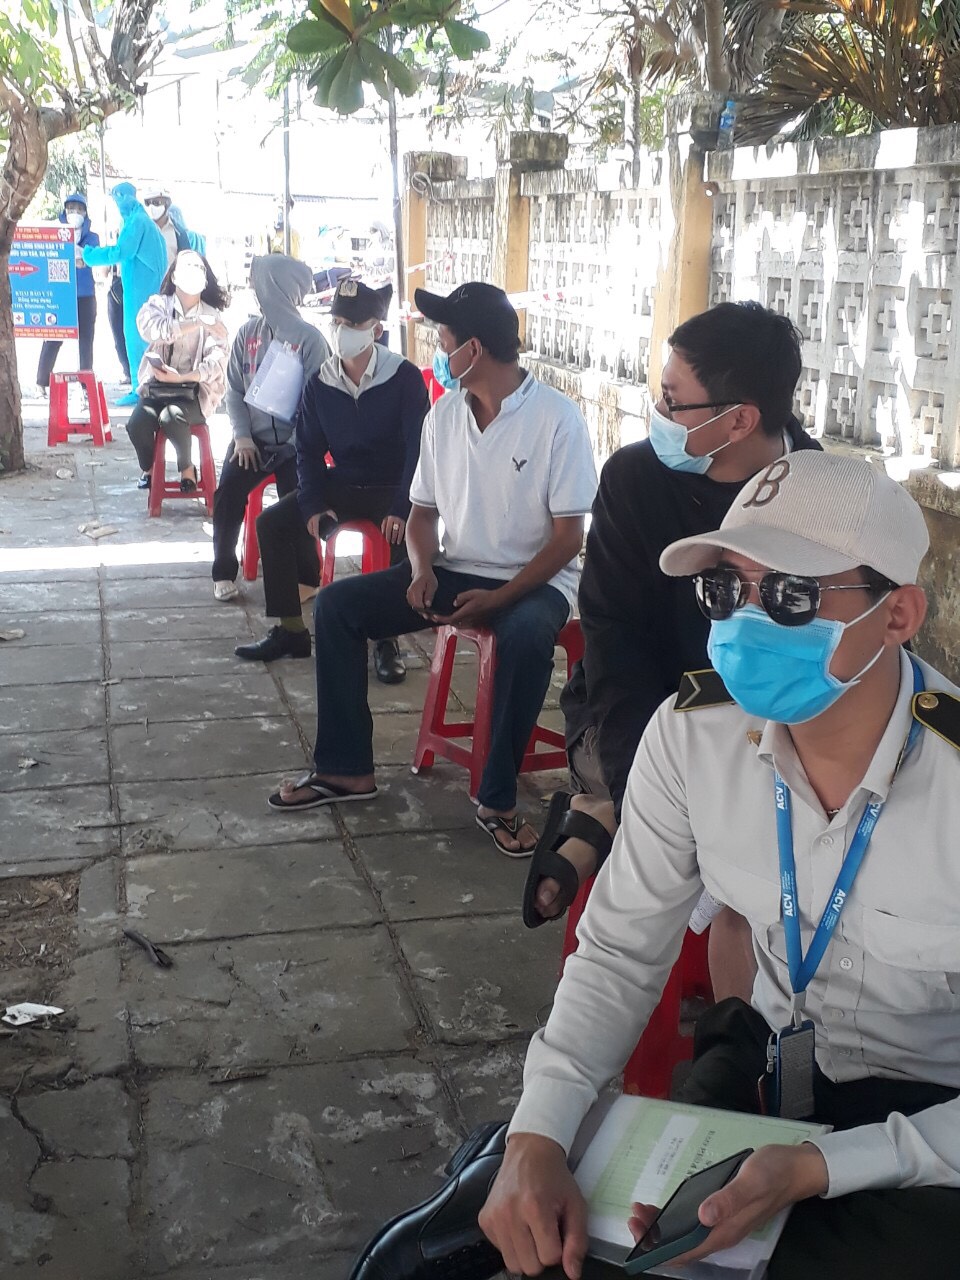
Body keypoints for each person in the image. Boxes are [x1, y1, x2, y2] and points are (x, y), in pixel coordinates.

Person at [476, 451, 960, 1280]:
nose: (746, 621)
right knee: (561, 1245)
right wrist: (538, 1132)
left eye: (792, 595)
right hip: (765, 1074)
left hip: (930, 1128)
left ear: (897, 616)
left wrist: (817, 1167)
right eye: (726, 589)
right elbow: (620, 949)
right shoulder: (692, 735)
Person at [523, 303, 820, 966]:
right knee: (695, 811)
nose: (657, 413)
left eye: (673, 401)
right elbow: (614, 642)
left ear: (738, 420)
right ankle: (612, 813)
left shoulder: (819, 492)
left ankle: (595, 822)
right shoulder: (633, 481)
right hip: (641, 703)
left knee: (785, 811)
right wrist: (641, 791)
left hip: (771, 719)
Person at [265, 282, 599, 858]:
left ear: (474, 347)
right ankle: (344, 769)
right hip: (458, 569)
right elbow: (422, 514)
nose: (439, 350)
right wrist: (421, 569)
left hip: (537, 581)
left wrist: (501, 599)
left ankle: (497, 801)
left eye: (444, 339)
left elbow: (569, 538)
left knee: (524, 637)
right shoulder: (444, 414)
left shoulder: (556, 418)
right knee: (339, 607)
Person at [235, 279, 426, 681]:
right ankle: (291, 630)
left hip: (393, 486)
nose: (341, 331)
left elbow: (419, 450)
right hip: (346, 483)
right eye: (337, 321)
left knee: (402, 538)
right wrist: (313, 504)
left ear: (376, 329)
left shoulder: (403, 377)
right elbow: (306, 451)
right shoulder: (321, 382)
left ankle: (386, 641)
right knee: (272, 524)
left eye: (352, 324)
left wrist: (402, 506)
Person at [211, 254, 330, 601]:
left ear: (279, 288)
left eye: (261, 284)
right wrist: (242, 437)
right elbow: (234, 391)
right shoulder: (248, 333)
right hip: (254, 441)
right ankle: (223, 573)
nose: (255, 291)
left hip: (298, 444)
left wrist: (294, 444)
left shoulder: (311, 341)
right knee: (228, 492)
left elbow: (316, 403)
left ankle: (307, 577)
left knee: (299, 499)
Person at [125, 250, 230, 492]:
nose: (193, 272)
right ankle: (149, 467)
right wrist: (196, 323)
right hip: (158, 389)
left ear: (205, 279)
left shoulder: (213, 317)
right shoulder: (158, 305)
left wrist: (183, 377)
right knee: (137, 423)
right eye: (187, 267)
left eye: (198, 268)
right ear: (173, 276)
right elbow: (152, 329)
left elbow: (216, 362)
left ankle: (187, 468)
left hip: (194, 394)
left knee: (171, 417)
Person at [83, 182, 167, 407]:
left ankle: (140, 389)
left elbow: (121, 251)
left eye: (118, 197)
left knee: (137, 339)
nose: (117, 203)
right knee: (146, 339)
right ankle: (147, 386)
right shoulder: (141, 221)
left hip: (141, 291)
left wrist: (89, 256)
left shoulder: (137, 222)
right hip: (145, 288)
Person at [36, 194, 100, 393]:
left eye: (79, 209)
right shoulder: (54, 233)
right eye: (71, 208)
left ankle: (85, 386)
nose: (75, 213)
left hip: (85, 294)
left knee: (86, 341)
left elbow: (87, 262)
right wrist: (77, 257)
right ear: (64, 211)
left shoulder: (92, 237)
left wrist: (75, 256)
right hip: (61, 295)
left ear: (85, 213)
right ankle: (41, 382)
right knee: (53, 338)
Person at [141, 187, 206, 269]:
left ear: (167, 204)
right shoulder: (139, 231)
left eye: (156, 203)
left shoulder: (179, 233)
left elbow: (187, 263)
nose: (151, 207)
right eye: (148, 203)